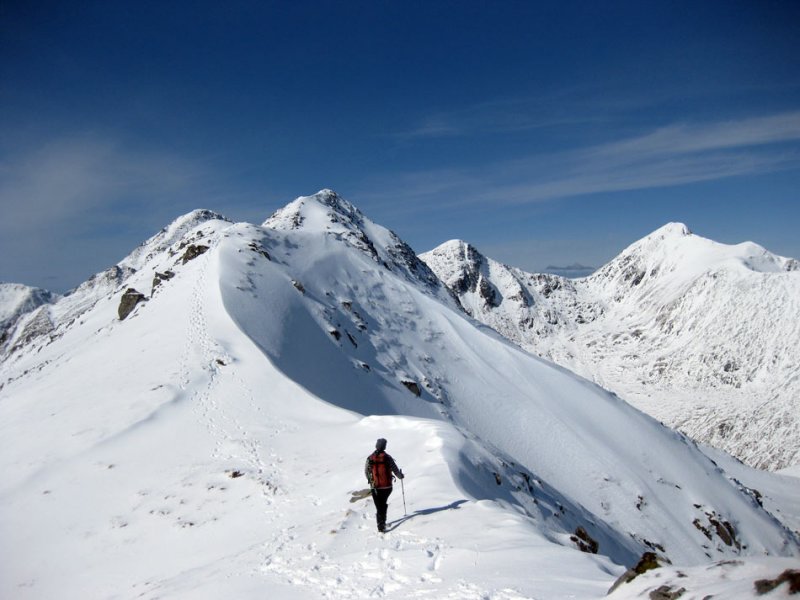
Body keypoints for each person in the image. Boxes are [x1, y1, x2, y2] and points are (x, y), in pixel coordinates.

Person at [364, 438, 404, 532]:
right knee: (383, 504)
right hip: (387, 487)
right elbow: (395, 470)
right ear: (384, 446)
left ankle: (380, 525)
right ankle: (383, 522)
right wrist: (400, 476)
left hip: (375, 487)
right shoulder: (388, 457)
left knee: (379, 506)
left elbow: (366, 472)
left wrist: (371, 480)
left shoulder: (370, 458)